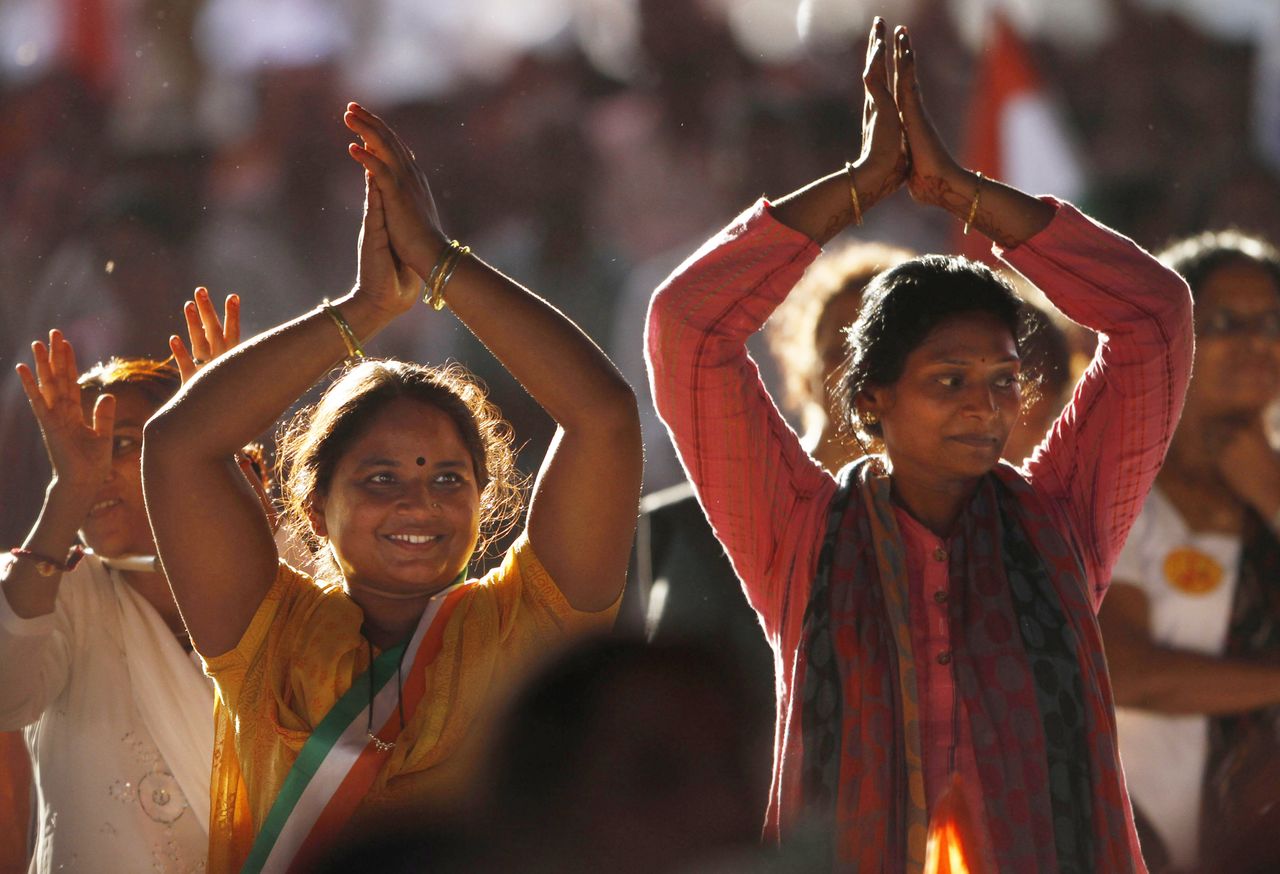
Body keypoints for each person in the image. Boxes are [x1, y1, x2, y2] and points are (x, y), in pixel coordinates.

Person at [645, 19, 1193, 872]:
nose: (985, 406)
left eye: (1002, 380)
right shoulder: (796, 535)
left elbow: (1155, 316)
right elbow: (687, 328)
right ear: (872, 400)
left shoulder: (1066, 520)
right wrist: (862, 188)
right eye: (948, 381)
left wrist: (963, 194)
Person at [141, 103, 642, 874]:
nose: (419, 503)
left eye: (449, 478)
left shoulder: (528, 620)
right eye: (380, 479)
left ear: (484, 499)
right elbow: (175, 446)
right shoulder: (268, 632)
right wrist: (365, 309)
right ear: (312, 506)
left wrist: (440, 265)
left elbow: (604, 417)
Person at [0, 294, 239, 873]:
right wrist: (66, 496)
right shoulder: (50, 588)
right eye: (75, 453)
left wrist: (224, 428)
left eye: (123, 442)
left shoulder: (278, 583)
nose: (96, 468)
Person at [1100, 230, 1280, 873]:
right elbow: (1125, 671)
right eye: (1226, 322)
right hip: (1136, 840)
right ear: (1174, 340)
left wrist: (1272, 494)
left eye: (1271, 321)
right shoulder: (1122, 490)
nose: (1257, 342)